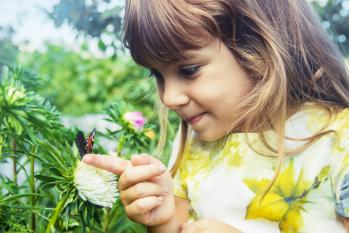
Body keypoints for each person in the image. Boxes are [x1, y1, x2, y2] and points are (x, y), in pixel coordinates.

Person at [82, 0, 349, 232]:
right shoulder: (193, 145)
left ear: (260, 49)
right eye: (158, 76)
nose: (169, 98)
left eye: (189, 70)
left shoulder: (338, 139)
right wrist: (161, 221)